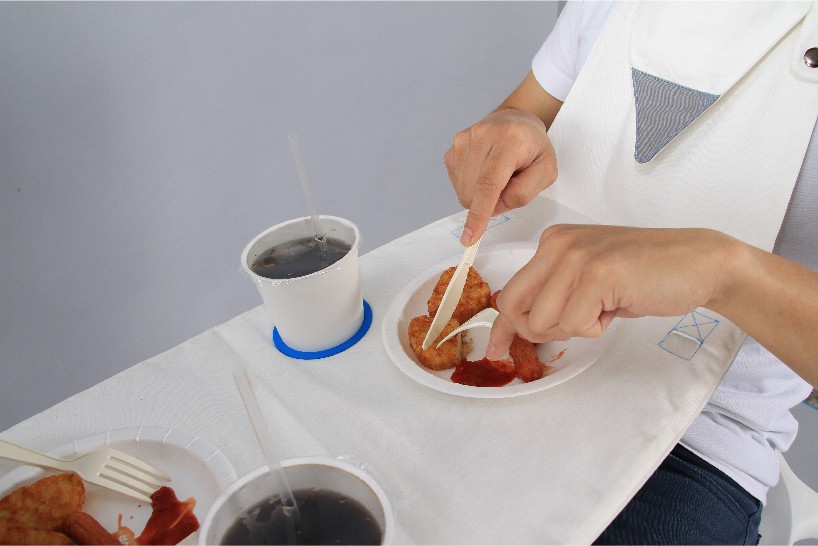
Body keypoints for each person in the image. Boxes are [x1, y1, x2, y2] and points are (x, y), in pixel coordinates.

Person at [445, 1, 818, 544]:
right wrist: (511, 125)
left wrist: (721, 271)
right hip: (525, 352)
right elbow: (528, 111)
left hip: (692, 440)